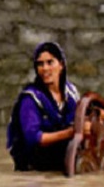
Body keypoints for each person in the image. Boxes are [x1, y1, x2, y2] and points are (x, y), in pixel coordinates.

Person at [6, 41, 82, 171]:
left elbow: (79, 116)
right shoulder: (30, 99)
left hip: (62, 153)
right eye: (40, 64)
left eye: (50, 62)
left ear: (61, 65)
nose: (45, 69)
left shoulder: (71, 94)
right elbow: (34, 138)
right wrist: (71, 133)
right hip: (35, 161)